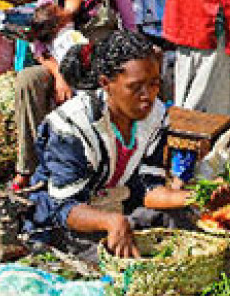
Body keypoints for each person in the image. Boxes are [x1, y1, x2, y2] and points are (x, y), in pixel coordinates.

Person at [27, 31, 191, 256]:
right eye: (135, 87)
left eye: (154, 84)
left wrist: (195, 198)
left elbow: (148, 187)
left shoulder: (156, 116)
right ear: (106, 83)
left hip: (114, 206)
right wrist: (112, 222)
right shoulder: (73, 126)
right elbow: (63, 207)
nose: (148, 95)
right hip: (62, 223)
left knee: (179, 224)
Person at [11, 0, 137, 189]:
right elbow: (39, 45)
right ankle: (29, 167)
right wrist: (60, 76)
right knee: (27, 81)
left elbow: (129, 28)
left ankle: (94, 167)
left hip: (101, 65)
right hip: (59, 64)